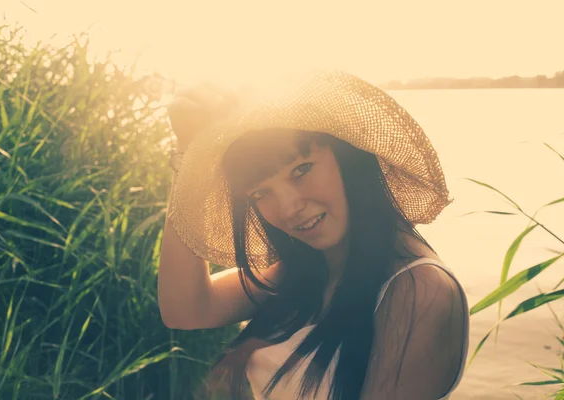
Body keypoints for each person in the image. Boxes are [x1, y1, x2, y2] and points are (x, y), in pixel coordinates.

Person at [158, 69, 470, 400]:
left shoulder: (418, 290)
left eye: (301, 170)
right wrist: (187, 154)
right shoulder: (307, 269)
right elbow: (187, 309)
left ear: (349, 156)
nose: (289, 207)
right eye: (261, 193)